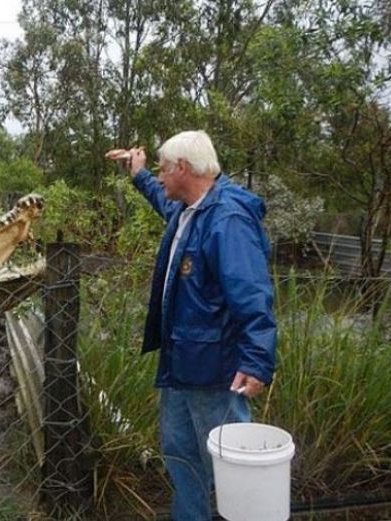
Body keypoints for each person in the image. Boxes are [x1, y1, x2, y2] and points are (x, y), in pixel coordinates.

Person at [105, 131, 277, 520]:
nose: (161, 178)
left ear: (183, 168)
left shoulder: (227, 219)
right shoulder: (188, 211)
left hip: (216, 371)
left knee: (230, 465)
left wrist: (256, 360)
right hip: (180, 364)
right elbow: (162, 202)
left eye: (164, 170)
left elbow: (252, 294)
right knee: (182, 458)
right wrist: (140, 174)